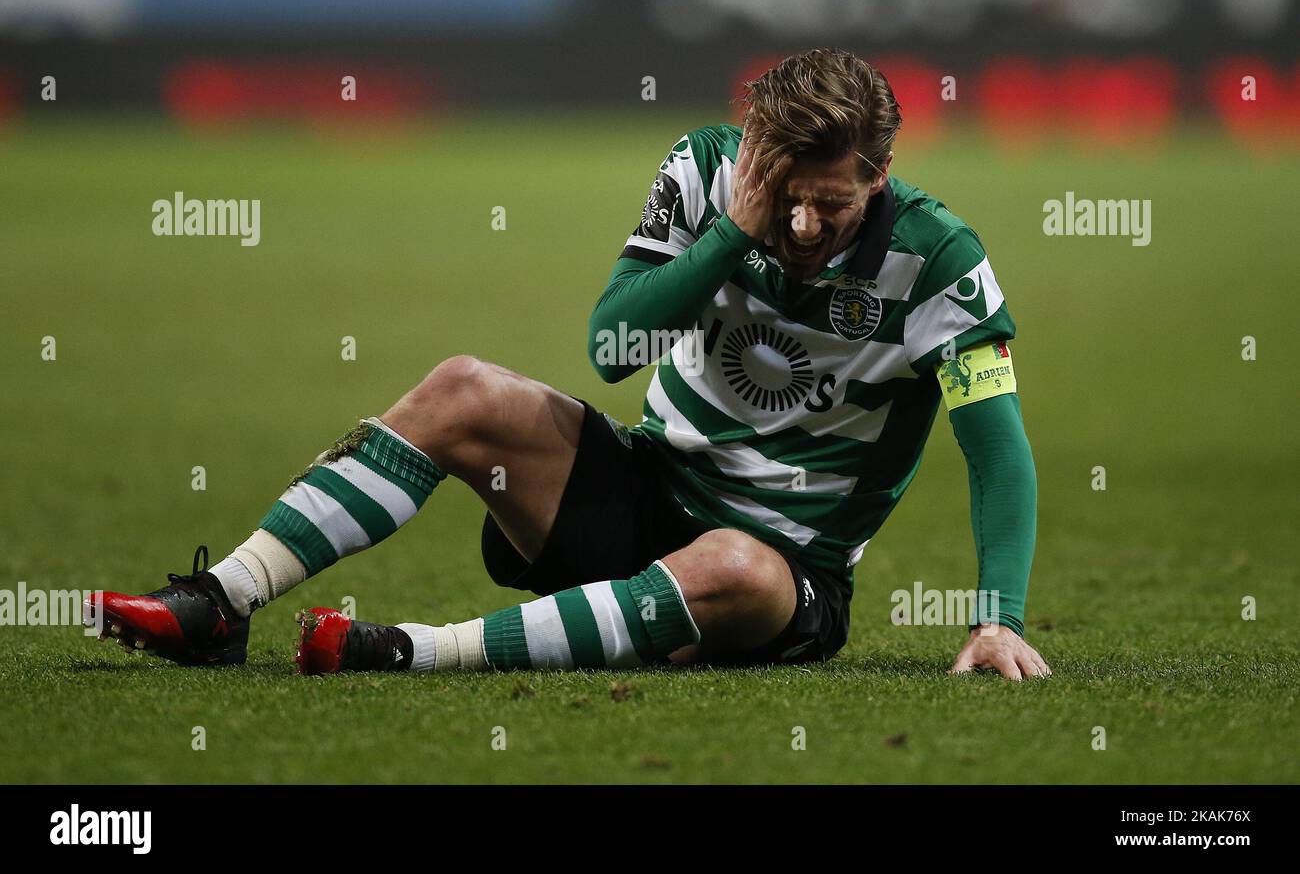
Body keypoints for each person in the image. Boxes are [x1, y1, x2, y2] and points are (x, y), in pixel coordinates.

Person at [88, 47, 1049, 680]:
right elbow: (612, 350)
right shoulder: (709, 170)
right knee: (464, 385)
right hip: (636, 492)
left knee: (731, 568)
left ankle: (407, 652)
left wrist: (997, 615)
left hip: (779, 574)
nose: (800, 225)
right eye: (783, 194)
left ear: (880, 175)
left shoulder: (942, 265)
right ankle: (223, 602)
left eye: (829, 206)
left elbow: (998, 451)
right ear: (757, 153)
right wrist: (727, 237)